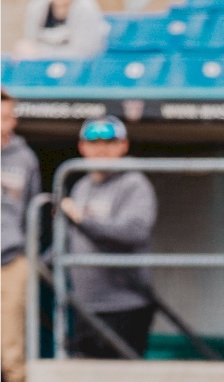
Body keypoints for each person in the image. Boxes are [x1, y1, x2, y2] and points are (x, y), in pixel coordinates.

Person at [60, 115, 157, 358]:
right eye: (93, 142)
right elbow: (73, 238)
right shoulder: (81, 186)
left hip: (125, 306)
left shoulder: (135, 184)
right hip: (84, 306)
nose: (101, 148)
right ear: (82, 147)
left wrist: (82, 219)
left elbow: (134, 232)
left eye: (109, 141)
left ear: (123, 145)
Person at [1, 89, 41, 382]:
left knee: (12, 351)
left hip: (10, 261)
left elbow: (33, 210)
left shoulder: (25, 157)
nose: (3, 124)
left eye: (6, 116)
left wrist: (27, 253)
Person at [14, 0, 109, 59]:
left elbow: (84, 53)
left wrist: (42, 54)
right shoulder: (36, 7)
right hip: (41, 71)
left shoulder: (86, 8)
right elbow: (30, 46)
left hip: (77, 75)